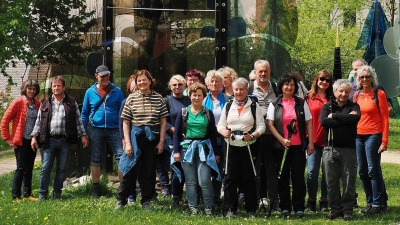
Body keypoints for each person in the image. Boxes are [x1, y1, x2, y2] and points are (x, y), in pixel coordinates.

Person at [115, 70, 168, 210]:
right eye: (139, 81)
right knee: (130, 169)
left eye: (144, 80)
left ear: (150, 81)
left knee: (149, 171)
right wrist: (127, 143)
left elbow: (163, 122)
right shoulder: (131, 99)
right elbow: (125, 122)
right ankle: (121, 200)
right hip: (135, 138)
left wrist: (161, 141)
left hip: (152, 139)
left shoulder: (159, 98)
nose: (142, 82)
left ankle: (146, 201)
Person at [30, 76, 88, 200]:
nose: (56, 88)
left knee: (61, 169)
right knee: (45, 168)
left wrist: (83, 135)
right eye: (54, 86)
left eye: (58, 86)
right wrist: (34, 137)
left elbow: (78, 120)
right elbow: (39, 121)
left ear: (64, 87)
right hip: (49, 140)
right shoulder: (45, 102)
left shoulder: (71, 102)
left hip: (64, 140)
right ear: (52, 87)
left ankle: (57, 193)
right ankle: (42, 194)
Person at [266, 73, 314, 219]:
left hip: (298, 147)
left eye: (292, 85)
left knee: (298, 178)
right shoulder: (274, 103)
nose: (289, 87)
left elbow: (308, 122)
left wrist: (310, 142)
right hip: (281, 148)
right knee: (283, 178)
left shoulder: (301, 102)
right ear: (281, 86)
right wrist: (281, 140)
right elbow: (270, 124)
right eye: (286, 84)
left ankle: (299, 207)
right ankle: (285, 207)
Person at [217, 77, 266, 218]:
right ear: (233, 90)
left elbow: (261, 126)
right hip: (231, 145)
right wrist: (223, 132)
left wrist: (253, 135)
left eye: (241, 89)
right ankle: (230, 208)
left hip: (248, 145)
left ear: (247, 90)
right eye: (236, 89)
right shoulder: (228, 106)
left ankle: (251, 209)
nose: (238, 92)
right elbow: (220, 125)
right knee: (230, 178)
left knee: (249, 177)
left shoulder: (254, 106)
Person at [173, 83, 220, 216]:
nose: (197, 98)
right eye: (194, 95)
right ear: (190, 96)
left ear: (204, 97)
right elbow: (176, 133)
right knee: (190, 181)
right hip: (186, 150)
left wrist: (216, 153)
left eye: (199, 95)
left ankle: (208, 208)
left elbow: (212, 134)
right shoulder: (183, 112)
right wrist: (176, 151)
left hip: (204, 150)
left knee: (204, 180)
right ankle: (193, 207)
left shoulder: (207, 112)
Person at [81, 65, 125, 198]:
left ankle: (123, 189)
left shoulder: (117, 91)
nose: (105, 78)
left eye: (107, 75)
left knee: (121, 157)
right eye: (102, 76)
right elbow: (84, 113)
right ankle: (95, 188)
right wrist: (83, 133)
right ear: (96, 76)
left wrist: (123, 133)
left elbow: (123, 112)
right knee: (95, 158)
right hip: (96, 129)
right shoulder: (89, 92)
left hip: (114, 130)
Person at [320, 79, 361, 221]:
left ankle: (347, 209)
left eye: (346, 92)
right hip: (330, 149)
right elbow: (324, 122)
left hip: (348, 149)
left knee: (349, 180)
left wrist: (336, 117)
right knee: (331, 181)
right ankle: (335, 209)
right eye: (341, 91)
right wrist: (345, 119)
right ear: (335, 92)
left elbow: (354, 119)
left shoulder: (354, 106)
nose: (343, 94)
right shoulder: (327, 107)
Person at [353, 65, 389, 215]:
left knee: (373, 169)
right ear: (358, 80)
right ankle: (370, 202)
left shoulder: (379, 94)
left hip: (374, 135)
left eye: (367, 76)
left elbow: (385, 118)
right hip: (358, 136)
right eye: (362, 77)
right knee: (362, 171)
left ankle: (378, 203)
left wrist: (384, 141)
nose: (365, 79)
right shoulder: (356, 95)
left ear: (372, 78)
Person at [1, 79, 41, 201]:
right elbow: (4, 121)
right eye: (29, 88)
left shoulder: (37, 104)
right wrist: (7, 139)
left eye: (34, 89)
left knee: (29, 168)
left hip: (32, 140)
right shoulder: (17, 102)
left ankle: (28, 194)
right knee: (20, 168)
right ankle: (15, 196)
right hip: (21, 140)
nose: (31, 91)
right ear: (25, 89)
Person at [248, 59, 280, 211]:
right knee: (255, 169)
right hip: (255, 136)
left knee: (272, 169)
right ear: (255, 73)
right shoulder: (249, 89)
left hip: (273, 136)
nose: (263, 73)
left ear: (270, 72)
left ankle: (274, 201)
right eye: (260, 71)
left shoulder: (276, 88)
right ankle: (257, 201)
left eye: (265, 71)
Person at [304, 70, 334, 212]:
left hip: (329, 141)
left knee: (327, 172)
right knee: (312, 172)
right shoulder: (308, 97)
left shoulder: (333, 98)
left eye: (328, 80)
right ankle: (311, 200)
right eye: (322, 79)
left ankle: (324, 200)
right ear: (316, 80)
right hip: (313, 141)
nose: (324, 82)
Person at [203, 69, 230, 208]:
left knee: (221, 169)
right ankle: (207, 197)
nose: (214, 83)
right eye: (211, 81)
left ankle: (217, 197)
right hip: (207, 140)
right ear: (207, 84)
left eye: (217, 81)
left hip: (224, 139)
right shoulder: (202, 100)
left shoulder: (227, 100)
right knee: (207, 168)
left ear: (222, 84)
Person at [164, 75, 191, 208]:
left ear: (184, 86)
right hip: (172, 139)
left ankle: (184, 197)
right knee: (176, 169)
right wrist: (174, 130)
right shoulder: (167, 101)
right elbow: (163, 120)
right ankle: (176, 198)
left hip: (189, 140)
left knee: (187, 169)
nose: (177, 87)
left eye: (180, 84)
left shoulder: (189, 100)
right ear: (170, 86)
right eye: (174, 85)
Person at [119, 74, 137, 204]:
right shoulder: (125, 102)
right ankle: (131, 196)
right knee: (129, 168)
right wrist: (124, 140)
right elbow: (122, 123)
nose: (136, 88)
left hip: (142, 140)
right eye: (133, 86)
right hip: (129, 139)